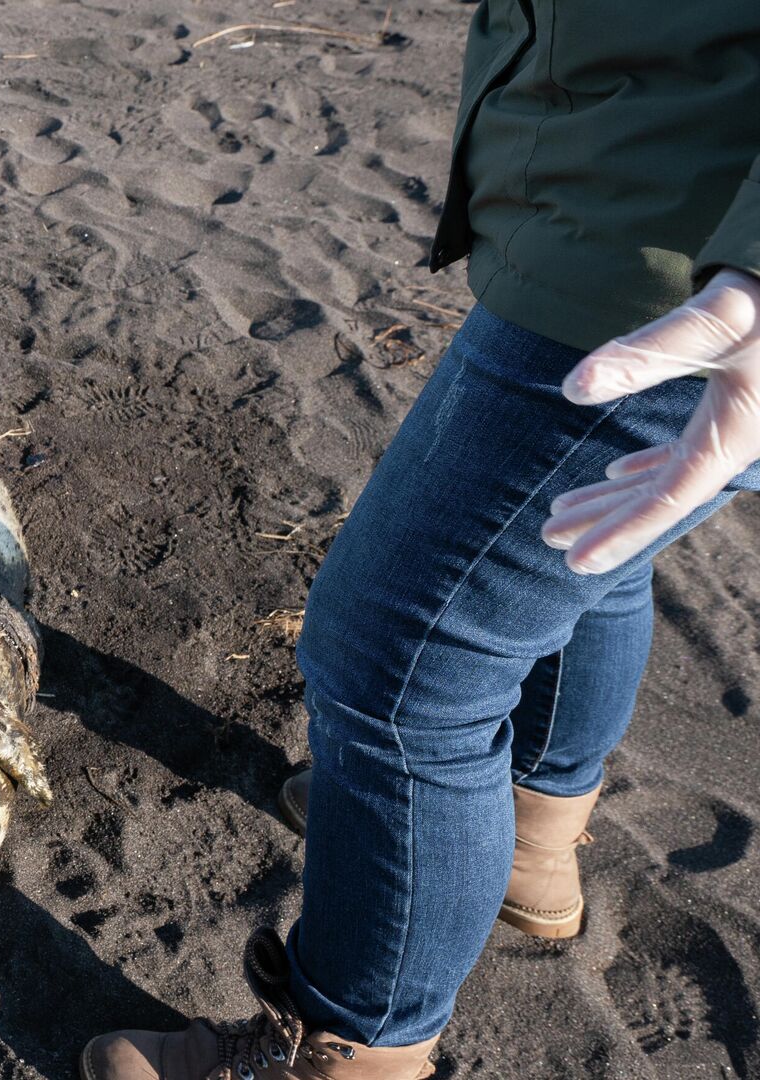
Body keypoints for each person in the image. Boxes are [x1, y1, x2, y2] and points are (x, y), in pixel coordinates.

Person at [84, 4, 760, 1079]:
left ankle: (353, 1043)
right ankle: (528, 847)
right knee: (588, 555)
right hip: (632, 192)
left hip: (671, 255)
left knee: (395, 673)